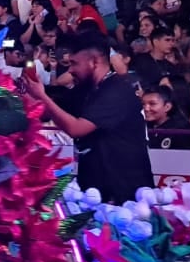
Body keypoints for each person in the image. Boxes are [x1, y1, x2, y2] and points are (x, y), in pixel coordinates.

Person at [23, 34, 153, 203]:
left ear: (94, 62)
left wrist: (43, 98)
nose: (70, 70)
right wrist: (27, 93)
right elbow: (48, 109)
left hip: (125, 193)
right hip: (94, 189)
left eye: (74, 63)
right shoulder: (86, 90)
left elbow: (76, 129)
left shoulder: (117, 90)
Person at [142, 85, 190, 149]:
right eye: (143, 104)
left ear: (167, 107)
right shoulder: (141, 127)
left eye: (152, 104)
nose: (146, 108)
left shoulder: (181, 130)